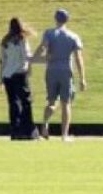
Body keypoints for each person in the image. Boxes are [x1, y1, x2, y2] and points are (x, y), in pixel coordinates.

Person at [32, 9, 86, 141]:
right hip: (65, 71)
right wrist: (82, 78)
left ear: (55, 19)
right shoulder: (73, 36)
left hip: (51, 70)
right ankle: (64, 135)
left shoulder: (49, 33)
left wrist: (33, 59)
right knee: (66, 103)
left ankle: (45, 123)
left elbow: (42, 47)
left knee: (51, 101)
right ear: (67, 20)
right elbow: (78, 58)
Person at [0, 18, 39, 140]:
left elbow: (2, 60)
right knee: (26, 103)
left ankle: (15, 131)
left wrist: (0, 77)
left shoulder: (5, 41)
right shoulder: (22, 40)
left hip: (7, 75)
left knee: (13, 104)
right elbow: (26, 57)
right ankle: (29, 131)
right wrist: (28, 69)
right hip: (20, 74)